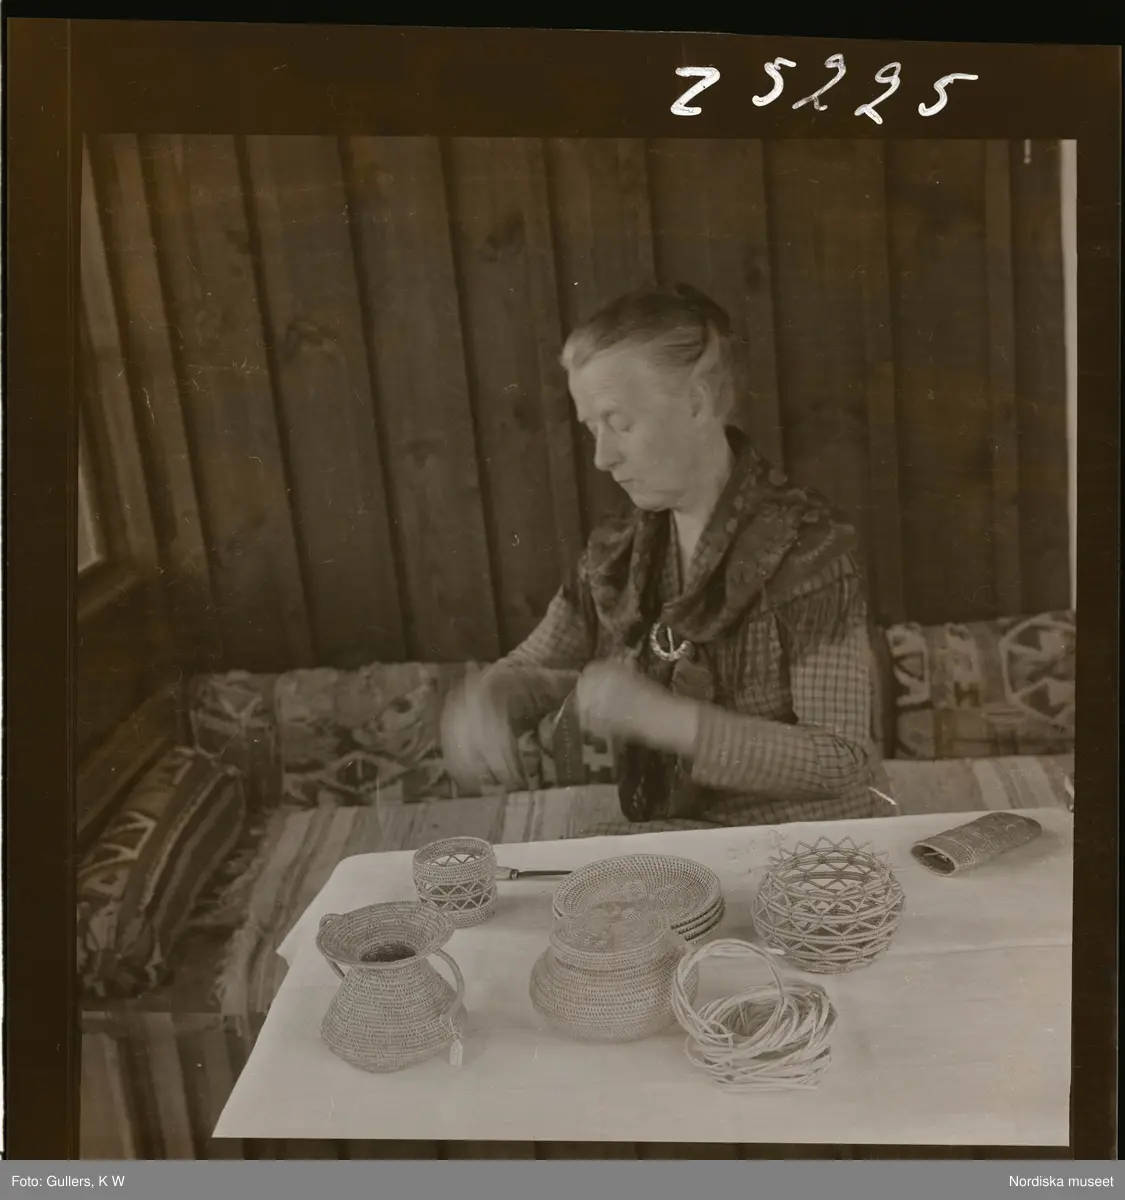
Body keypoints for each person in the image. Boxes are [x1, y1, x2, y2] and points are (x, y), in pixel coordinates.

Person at [441, 282, 891, 828]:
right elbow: (540, 664)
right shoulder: (620, 552)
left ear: (696, 403)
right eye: (592, 429)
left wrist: (669, 720)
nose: (602, 457)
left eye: (620, 422)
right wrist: (491, 700)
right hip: (689, 837)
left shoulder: (809, 550)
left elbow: (843, 761)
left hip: (811, 843)